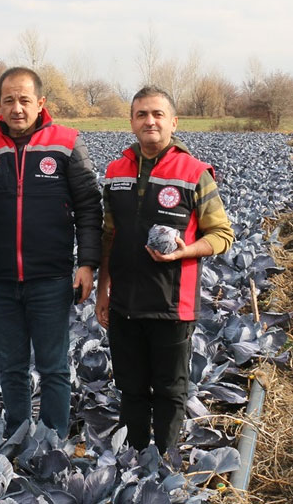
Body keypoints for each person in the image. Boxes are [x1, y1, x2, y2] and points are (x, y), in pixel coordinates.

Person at [0, 67, 102, 439]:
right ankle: (17, 435)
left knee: (53, 366)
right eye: (9, 100)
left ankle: (53, 439)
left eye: (24, 100)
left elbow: (88, 207)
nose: (17, 108)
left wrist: (87, 264)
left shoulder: (67, 143)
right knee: (11, 365)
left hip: (51, 276)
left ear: (40, 103)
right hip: (1, 276)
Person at [94, 86, 233, 454]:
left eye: (157, 114)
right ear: (132, 122)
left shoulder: (194, 173)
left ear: (173, 122)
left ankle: (166, 463)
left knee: (171, 391)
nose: (149, 121)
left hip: (173, 304)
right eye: (141, 114)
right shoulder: (116, 171)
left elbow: (222, 234)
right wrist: (102, 290)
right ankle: (137, 462)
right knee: (130, 387)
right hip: (124, 303)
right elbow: (109, 235)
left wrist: (187, 251)